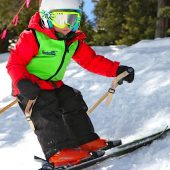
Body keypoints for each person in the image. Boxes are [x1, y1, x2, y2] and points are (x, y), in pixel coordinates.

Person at [6, 0, 135, 167]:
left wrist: (116, 70)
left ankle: (85, 141)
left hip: (53, 84)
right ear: (47, 18)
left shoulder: (72, 41)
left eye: (72, 19)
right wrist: (22, 82)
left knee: (72, 98)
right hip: (31, 88)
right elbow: (15, 62)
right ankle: (57, 151)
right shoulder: (33, 37)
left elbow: (91, 60)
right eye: (61, 19)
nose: (67, 25)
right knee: (45, 108)